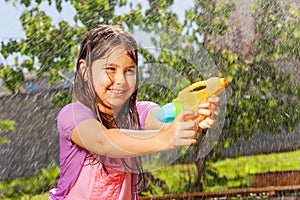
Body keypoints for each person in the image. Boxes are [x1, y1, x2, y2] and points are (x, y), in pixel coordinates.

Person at [49, 24, 221, 200]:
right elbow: (103, 141)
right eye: (110, 69)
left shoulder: (139, 113)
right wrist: (165, 137)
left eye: (129, 70)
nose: (121, 81)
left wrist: (195, 114)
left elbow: (164, 119)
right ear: (84, 70)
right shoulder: (73, 114)